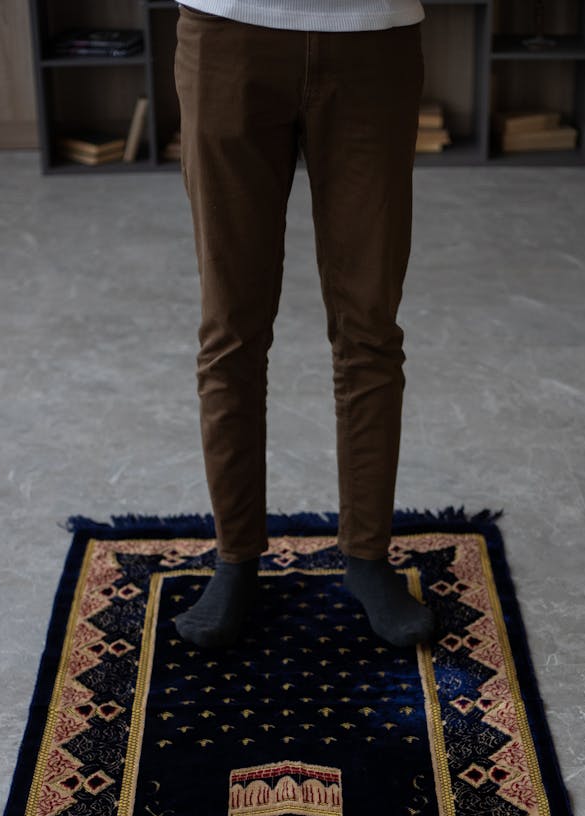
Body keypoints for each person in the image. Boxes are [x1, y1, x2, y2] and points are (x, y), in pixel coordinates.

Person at [172, 0, 434, 650]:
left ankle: (368, 557)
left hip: (373, 36)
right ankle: (235, 557)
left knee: (369, 326)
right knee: (230, 326)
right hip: (228, 28)